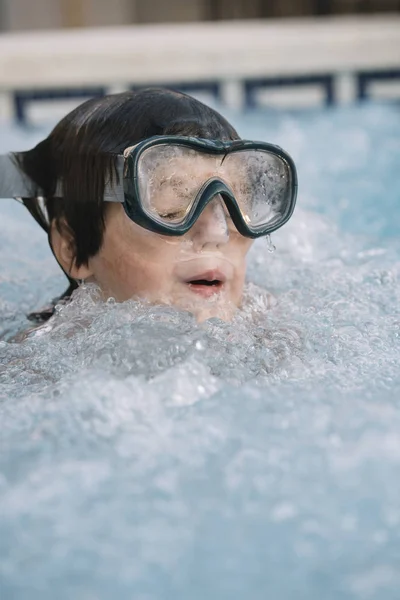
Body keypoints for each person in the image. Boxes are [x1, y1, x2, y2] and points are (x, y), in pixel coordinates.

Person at [0, 88, 297, 323]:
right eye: (171, 209)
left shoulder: (275, 330)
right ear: (74, 247)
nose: (217, 232)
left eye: (238, 205)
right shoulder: (35, 372)